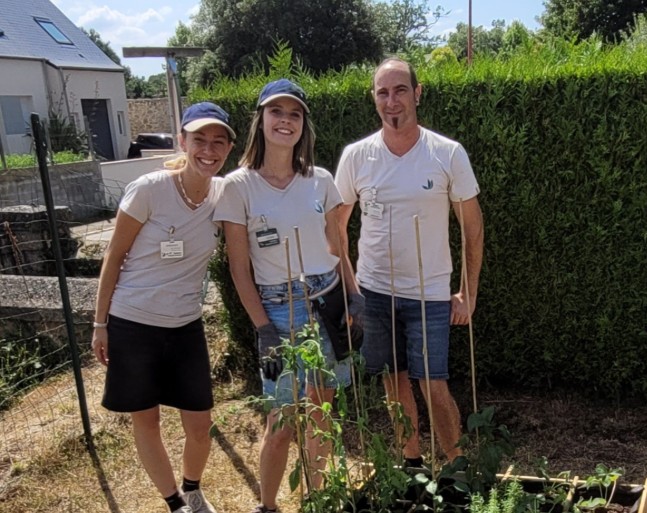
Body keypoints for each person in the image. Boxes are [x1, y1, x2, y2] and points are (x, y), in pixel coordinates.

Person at [213, 78, 360, 513]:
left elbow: (339, 248)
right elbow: (239, 269)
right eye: (277, 112)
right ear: (261, 120)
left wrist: (355, 298)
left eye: (294, 114)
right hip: (279, 308)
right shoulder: (237, 186)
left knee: (322, 413)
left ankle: (316, 501)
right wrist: (263, 328)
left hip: (328, 298)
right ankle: (268, 506)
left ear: (303, 125)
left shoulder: (321, 181)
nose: (286, 120)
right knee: (281, 420)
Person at [335, 58, 484, 467]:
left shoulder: (446, 154)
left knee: (433, 383)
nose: (391, 100)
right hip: (375, 291)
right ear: (373, 99)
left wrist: (467, 293)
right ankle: (412, 464)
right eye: (382, 92)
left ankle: (455, 467)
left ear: (417, 93)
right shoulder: (356, 156)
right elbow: (336, 226)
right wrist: (351, 290)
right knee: (393, 380)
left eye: (400, 90)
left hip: (430, 292)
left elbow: (472, 228)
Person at [91, 102, 236, 513]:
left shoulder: (223, 193)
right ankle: (175, 503)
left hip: (185, 325)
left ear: (227, 149)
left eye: (218, 142)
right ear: (183, 142)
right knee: (147, 420)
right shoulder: (150, 188)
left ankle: (193, 488)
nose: (208, 150)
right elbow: (114, 256)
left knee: (200, 423)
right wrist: (100, 324)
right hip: (132, 323)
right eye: (200, 140)